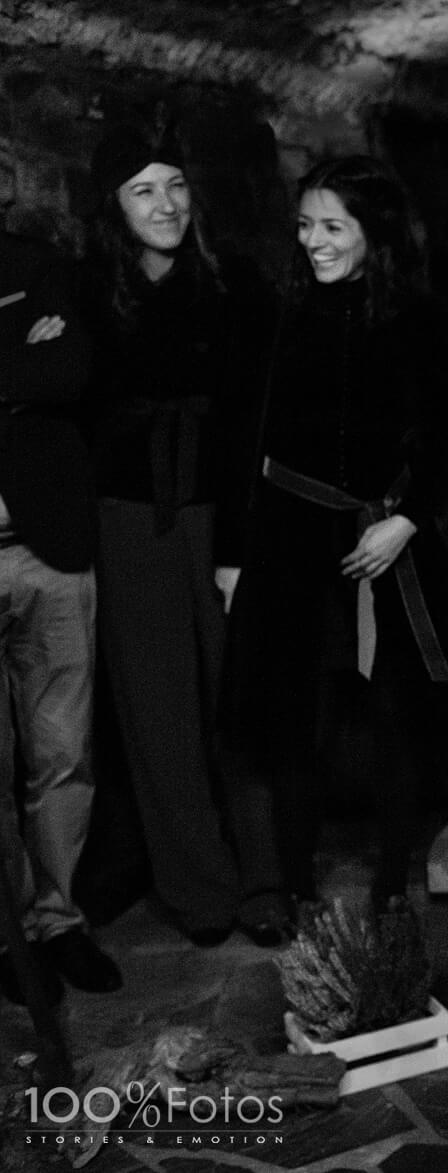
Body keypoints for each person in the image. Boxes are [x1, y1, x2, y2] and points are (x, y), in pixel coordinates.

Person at [219, 156, 448, 909]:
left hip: (384, 542)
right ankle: (295, 887)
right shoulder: (281, 316)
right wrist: (233, 553)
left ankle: (388, 887)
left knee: (394, 717)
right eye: (306, 224)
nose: (314, 240)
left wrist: (406, 521)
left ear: (371, 234)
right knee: (295, 719)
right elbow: (245, 440)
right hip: (289, 542)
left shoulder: (420, 316)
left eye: (332, 226)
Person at [81, 125, 281, 947]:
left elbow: (255, 423)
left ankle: (266, 880)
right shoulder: (88, 289)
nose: (164, 204)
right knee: (159, 710)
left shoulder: (238, 284)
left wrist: (238, 545)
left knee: (242, 698)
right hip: (131, 520)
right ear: (113, 206)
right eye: (142, 189)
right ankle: (198, 887)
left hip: (221, 512)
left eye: (175, 185)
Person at [0, 226, 123, 1001]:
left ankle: (58, 921)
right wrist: (19, 363)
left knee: (62, 751)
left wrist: (34, 368)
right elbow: (36, 368)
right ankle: (6, 934)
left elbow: (71, 368)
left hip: (50, 549)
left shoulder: (34, 263)